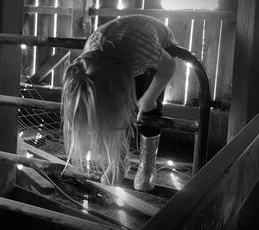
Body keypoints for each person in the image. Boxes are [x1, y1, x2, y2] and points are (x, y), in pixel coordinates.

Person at [61, 14, 177, 190]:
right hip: (121, 60)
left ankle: (147, 166)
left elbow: (168, 67)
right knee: (110, 114)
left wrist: (150, 97)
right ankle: (118, 163)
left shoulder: (142, 50)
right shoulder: (90, 56)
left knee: (148, 108)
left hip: (155, 50)